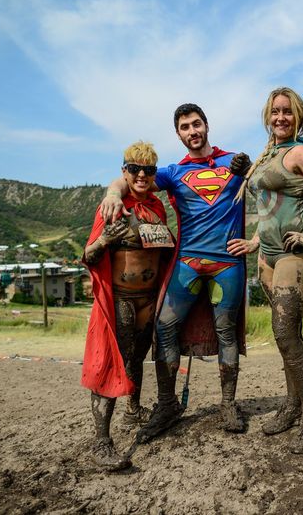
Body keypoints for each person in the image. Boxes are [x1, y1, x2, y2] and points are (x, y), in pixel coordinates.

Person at [101, 104, 249, 441]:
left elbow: (271, 186)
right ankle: (167, 404)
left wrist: (255, 238)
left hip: (228, 263)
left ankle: (228, 404)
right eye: (185, 127)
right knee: (164, 326)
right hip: (187, 263)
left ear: (206, 125)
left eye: (196, 124)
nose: (192, 131)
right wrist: (112, 193)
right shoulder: (172, 172)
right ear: (179, 134)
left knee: (226, 332)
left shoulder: (234, 162)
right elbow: (134, 177)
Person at [227, 87, 303, 454]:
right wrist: (255, 241)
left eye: (287, 111)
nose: (281, 117)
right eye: (275, 111)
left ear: (299, 116)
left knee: (285, 333)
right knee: (286, 338)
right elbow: (270, 204)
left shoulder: (300, 153)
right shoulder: (268, 154)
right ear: (267, 116)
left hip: (294, 257)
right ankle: (292, 404)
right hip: (267, 257)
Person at [80, 141, 174, 471]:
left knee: (137, 358)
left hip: (149, 300)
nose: (142, 175)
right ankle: (101, 442)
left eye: (148, 170)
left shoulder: (158, 207)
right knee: (111, 362)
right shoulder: (112, 206)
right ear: (125, 171)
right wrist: (105, 240)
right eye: (135, 169)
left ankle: (133, 410)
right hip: (120, 299)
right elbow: (88, 255)